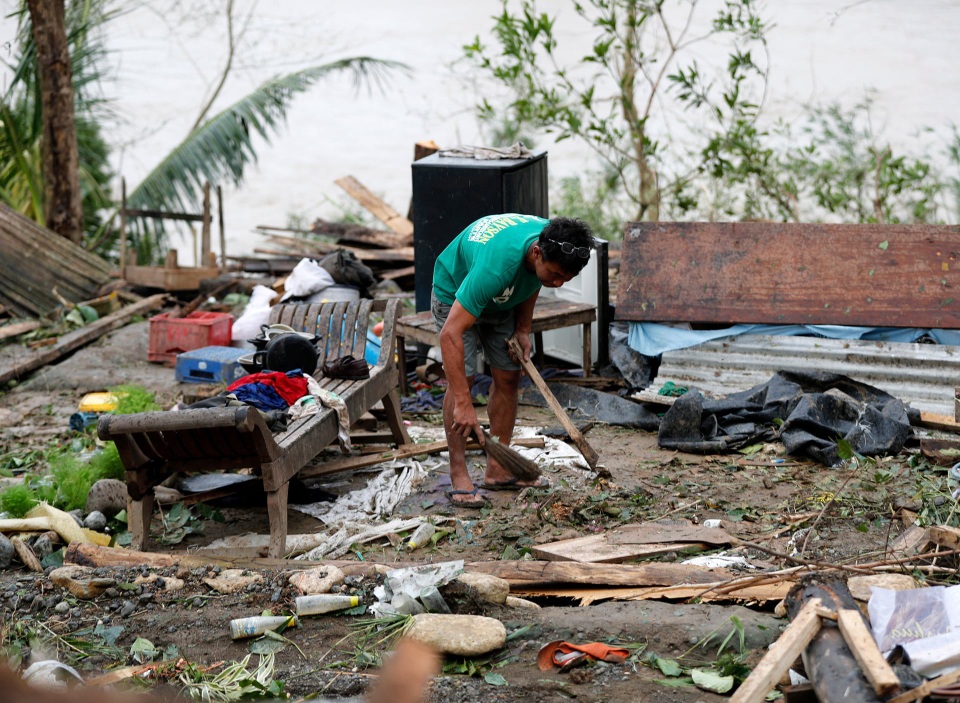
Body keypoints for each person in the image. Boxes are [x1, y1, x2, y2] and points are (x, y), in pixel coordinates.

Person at [432, 213, 595, 507]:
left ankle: (497, 469)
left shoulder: (550, 245)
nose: (557, 284)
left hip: (501, 299)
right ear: (536, 253)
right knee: (463, 382)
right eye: (555, 275)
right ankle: (458, 472)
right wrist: (464, 403)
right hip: (455, 290)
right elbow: (449, 334)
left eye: (566, 279)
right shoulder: (496, 266)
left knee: (508, 377)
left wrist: (522, 329)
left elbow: (532, 280)